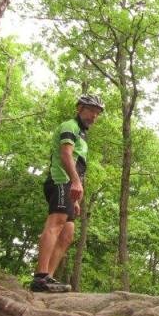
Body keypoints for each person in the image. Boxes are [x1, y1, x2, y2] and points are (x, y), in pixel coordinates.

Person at [30, 94, 104, 292]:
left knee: (68, 233)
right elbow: (65, 155)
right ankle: (40, 277)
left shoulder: (83, 136)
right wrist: (75, 182)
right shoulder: (69, 126)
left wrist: (77, 199)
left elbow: (79, 165)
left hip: (69, 185)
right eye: (90, 111)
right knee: (56, 224)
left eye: (97, 114)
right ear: (79, 108)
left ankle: (49, 277)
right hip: (60, 180)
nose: (93, 117)